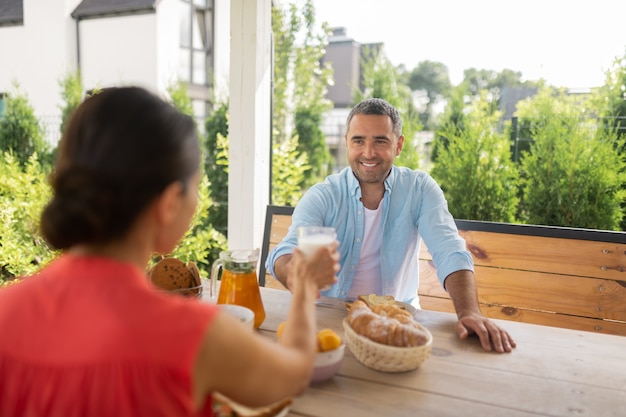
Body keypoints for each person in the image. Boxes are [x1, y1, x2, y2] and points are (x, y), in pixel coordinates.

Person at [0, 86, 340, 417]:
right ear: (167, 204)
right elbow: (293, 374)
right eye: (195, 187)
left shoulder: (6, 311)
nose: (196, 202)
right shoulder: (195, 336)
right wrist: (305, 287)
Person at [266, 97, 515, 353]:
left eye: (380, 141)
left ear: (399, 145)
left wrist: (469, 312)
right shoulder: (323, 195)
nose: (369, 153)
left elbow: (449, 250)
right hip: (330, 320)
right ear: (346, 143)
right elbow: (284, 252)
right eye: (359, 140)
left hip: (398, 322)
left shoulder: (419, 189)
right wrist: (294, 272)